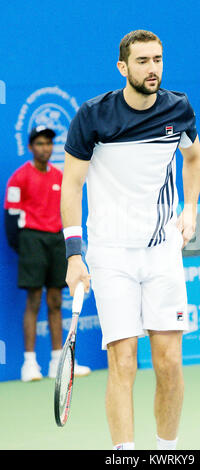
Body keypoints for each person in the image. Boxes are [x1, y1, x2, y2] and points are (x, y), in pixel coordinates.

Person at [61, 30, 200, 450]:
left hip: (162, 252)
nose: (152, 69)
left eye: (157, 59)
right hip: (110, 256)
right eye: (142, 61)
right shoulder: (93, 117)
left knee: (170, 362)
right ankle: (125, 455)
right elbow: (71, 187)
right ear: (123, 67)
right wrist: (74, 255)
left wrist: (190, 208)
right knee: (123, 362)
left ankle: (166, 451)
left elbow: (194, 160)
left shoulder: (179, 109)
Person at [4, 125, 91, 382]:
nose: (45, 148)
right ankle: (29, 364)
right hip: (31, 240)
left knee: (55, 301)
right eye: (40, 144)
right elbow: (11, 218)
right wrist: (24, 247)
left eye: (48, 143)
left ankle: (57, 362)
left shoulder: (59, 176)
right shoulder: (19, 177)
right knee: (33, 301)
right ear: (31, 147)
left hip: (56, 241)